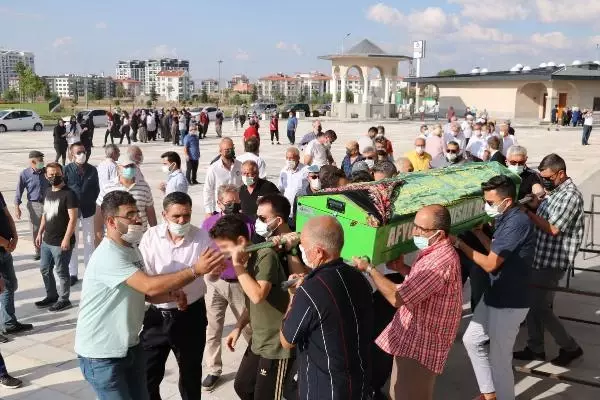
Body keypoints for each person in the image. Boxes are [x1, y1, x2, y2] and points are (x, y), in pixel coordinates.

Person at [75, 190, 224, 399]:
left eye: (137, 212)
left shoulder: (131, 249)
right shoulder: (109, 255)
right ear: (111, 221)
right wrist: (195, 270)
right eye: (129, 215)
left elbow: (143, 293)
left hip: (129, 346)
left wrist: (172, 296)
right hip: (104, 354)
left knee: (179, 378)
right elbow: (149, 286)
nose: (137, 218)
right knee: (149, 380)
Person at [356, 205, 462, 400]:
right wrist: (403, 268)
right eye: (415, 226)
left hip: (422, 345)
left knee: (408, 395)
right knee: (398, 392)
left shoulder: (438, 262)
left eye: (421, 229)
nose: (415, 232)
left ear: (439, 233)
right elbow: (425, 287)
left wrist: (370, 269)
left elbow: (398, 298)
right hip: (413, 336)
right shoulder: (435, 251)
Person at [453, 176, 535, 400]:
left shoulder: (517, 222)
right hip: (494, 296)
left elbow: (490, 263)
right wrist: (479, 233)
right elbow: (496, 252)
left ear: (506, 201)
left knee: (500, 359)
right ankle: (489, 393)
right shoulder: (505, 217)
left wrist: (460, 244)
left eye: (489, 202)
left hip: (510, 302)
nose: (486, 206)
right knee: (472, 340)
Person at [280, 216, 373, 399]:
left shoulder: (309, 291)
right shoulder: (359, 277)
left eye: (304, 247)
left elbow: (286, 340)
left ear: (319, 252)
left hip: (324, 388)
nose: (302, 251)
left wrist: (293, 296)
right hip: (359, 382)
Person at [138, 192, 214, 400]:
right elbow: (146, 278)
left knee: (190, 375)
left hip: (189, 315)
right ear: (164, 214)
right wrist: (171, 292)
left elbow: (213, 271)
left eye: (187, 216)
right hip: (157, 315)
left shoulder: (201, 238)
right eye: (176, 217)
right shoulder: (151, 237)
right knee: (147, 375)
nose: (182, 221)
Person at [210, 215, 291, 400]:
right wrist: (238, 327)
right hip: (258, 340)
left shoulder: (264, 255)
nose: (223, 254)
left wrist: (237, 265)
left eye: (224, 248)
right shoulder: (247, 259)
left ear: (240, 241)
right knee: (243, 386)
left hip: (276, 345)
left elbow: (257, 295)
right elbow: (249, 302)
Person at [514, 154, 585, 367]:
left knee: (540, 306)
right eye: (542, 177)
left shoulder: (570, 196)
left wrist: (527, 212)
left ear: (560, 173)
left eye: (547, 177)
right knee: (534, 305)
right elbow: (544, 214)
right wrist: (534, 204)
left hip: (553, 260)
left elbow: (553, 228)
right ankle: (536, 348)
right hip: (539, 256)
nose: (544, 181)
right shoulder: (555, 192)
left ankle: (570, 347)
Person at [201, 185, 255, 391]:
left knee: (249, 328)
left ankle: (256, 362)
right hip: (215, 282)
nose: (234, 206)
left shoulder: (248, 222)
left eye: (237, 202)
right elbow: (203, 249)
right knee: (213, 327)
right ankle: (213, 369)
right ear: (219, 203)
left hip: (239, 282)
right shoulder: (208, 223)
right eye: (229, 203)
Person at [35, 162, 78, 312]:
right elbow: (45, 214)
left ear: (62, 174)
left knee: (62, 271)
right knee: (45, 269)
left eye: (57, 174)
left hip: (61, 241)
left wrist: (67, 238)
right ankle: (51, 295)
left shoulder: (69, 194)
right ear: (46, 176)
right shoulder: (47, 191)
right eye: (51, 174)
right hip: (47, 240)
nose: (54, 177)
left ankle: (64, 299)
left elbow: (73, 219)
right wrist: (40, 232)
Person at [94, 160, 157, 246]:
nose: (130, 169)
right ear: (118, 168)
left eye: (132, 166)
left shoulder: (144, 187)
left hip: (140, 240)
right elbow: (99, 214)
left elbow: (150, 211)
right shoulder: (108, 187)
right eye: (126, 166)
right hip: (116, 240)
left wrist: (154, 233)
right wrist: (98, 236)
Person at [64, 143, 100, 285]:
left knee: (89, 241)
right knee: (72, 242)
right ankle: (73, 273)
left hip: (88, 210)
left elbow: (97, 189)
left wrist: (93, 203)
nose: (82, 154)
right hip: (71, 212)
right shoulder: (66, 169)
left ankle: (89, 272)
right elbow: (64, 189)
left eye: (83, 151)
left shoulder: (92, 170)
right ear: (72, 154)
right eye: (78, 152)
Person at [0, 190, 34, 339]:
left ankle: (9, 323)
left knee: (10, 285)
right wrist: (6, 242)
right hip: (4, 246)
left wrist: (15, 237)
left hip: (5, 250)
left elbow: (7, 215)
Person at [14, 150, 48, 261]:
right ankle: (38, 250)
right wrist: (17, 207)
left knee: (50, 228)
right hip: (34, 204)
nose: (42, 162)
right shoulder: (25, 174)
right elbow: (19, 191)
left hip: (48, 203)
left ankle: (49, 250)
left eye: (42, 160)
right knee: (35, 229)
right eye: (40, 160)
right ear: (33, 162)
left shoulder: (47, 171)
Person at [204, 138, 243, 216]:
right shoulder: (213, 169)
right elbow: (208, 190)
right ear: (220, 151)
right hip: (220, 210)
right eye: (227, 150)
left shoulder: (240, 165)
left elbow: (243, 187)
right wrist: (208, 211)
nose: (230, 152)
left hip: (236, 208)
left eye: (231, 149)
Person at [277, 147, 306, 221]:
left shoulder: (305, 171)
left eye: (291, 158)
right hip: (287, 211)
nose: (289, 160)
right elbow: (281, 189)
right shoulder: (284, 171)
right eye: (287, 158)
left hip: (301, 210)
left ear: (298, 158)